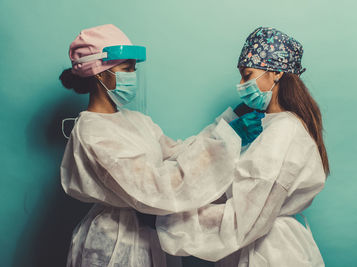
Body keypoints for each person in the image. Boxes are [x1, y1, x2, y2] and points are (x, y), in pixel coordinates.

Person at [59, 24, 264, 267]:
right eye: (126, 68)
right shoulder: (93, 132)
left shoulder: (135, 121)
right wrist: (228, 140)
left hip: (151, 237)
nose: (132, 75)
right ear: (99, 74)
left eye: (134, 68)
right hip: (115, 244)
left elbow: (178, 154)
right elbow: (156, 189)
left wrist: (226, 127)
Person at [156, 27, 330, 267]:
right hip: (259, 246)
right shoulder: (270, 126)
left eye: (247, 75)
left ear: (277, 72)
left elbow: (243, 218)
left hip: (271, 254)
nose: (240, 84)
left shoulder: (283, 131)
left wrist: (172, 220)